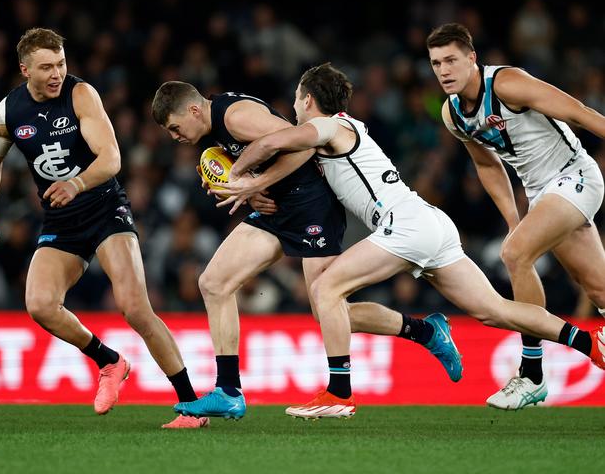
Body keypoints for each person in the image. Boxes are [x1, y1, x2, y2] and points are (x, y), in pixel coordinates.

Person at [212, 63, 605, 418]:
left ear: (308, 98)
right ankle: (590, 344)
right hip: (428, 222)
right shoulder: (330, 133)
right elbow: (290, 157)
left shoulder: (330, 126)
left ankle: (339, 392)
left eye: (297, 99)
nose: (294, 107)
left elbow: (269, 143)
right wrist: (259, 186)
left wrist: (238, 180)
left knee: (325, 288)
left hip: (403, 226)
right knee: (494, 310)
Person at [151, 81, 463, 420]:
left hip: (312, 206)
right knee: (213, 283)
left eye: (174, 127)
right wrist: (250, 188)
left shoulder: (236, 116)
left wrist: (257, 183)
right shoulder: (210, 131)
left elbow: (304, 147)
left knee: (326, 308)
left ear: (194, 110)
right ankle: (228, 391)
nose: (174, 136)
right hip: (279, 208)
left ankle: (425, 332)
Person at [0, 28, 207, 429]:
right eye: (46, 66)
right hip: (61, 221)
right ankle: (109, 362)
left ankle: (190, 405)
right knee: (40, 305)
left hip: (104, 209)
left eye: (61, 63)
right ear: (24, 69)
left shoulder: (81, 95)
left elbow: (112, 157)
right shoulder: (8, 112)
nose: (56, 73)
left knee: (135, 308)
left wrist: (77, 183)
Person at [426, 22, 605, 409]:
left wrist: (517, 237)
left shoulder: (506, 85)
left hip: (575, 175)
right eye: (436, 63)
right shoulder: (453, 114)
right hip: (542, 194)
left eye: (451, 60)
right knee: (598, 288)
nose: (443, 70)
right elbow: (488, 166)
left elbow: (579, 112)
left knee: (514, 254)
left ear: (472, 59)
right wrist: (513, 220)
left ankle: (533, 373)